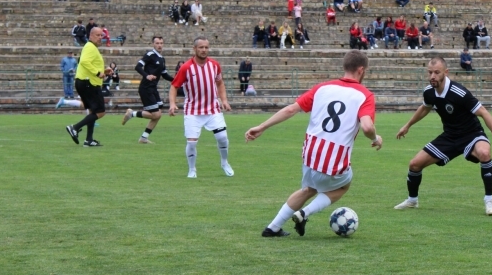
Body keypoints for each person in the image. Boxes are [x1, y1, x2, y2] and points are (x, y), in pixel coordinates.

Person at [247, 50, 381, 237]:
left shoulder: (322, 88)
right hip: (333, 157)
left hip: (310, 152)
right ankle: (304, 213)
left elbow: (291, 109)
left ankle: (272, 228)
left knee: (309, 189)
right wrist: (376, 138)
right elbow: (367, 127)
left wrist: (262, 126)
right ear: (361, 70)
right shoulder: (364, 95)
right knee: (344, 185)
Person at [394, 57, 492, 214]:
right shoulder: (429, 92)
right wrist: (407, 125)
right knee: (414, 164)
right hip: (450, 136)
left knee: (484, 153)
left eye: (436, 72)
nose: (432, 76)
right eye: (429, 73)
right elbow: (425, 108)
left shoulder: (459, 92)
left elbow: (483, 112)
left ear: (445, 73)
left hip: (472, 134)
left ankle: (489, 201)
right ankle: (412, 200)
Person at [168, 36, 234, 178]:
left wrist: (224, 100)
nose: (204, 50)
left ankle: (224, 162)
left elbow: (220, 83)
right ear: (195, 49)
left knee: (223, 137)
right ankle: (192, 169)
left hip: (212, 109)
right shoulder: (186, 67)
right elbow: (174, 86)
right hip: (193, 111)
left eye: (206, 47)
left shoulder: (214, 65)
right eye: (201, 47)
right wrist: (172, 104)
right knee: (191, 143)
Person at [122, 36, 175, 143]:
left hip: (153, 89)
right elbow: (138, 67)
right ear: (153, 44)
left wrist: (178, 80)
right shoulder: (150, 55)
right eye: (157, 43)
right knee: (156, 114)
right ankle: (131, 113)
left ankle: (144, 138)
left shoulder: (161, 59)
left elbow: (165, 75)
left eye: (161, 43)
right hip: (146, 88)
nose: (159, 45)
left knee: (157, 115)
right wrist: (147, 76)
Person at [65, 27, 112, 147]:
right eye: (97, 35)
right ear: (90, 36)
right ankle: (74, 128)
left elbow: (88, 63)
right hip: (88, 83)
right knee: (100, 112)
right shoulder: (90, 47)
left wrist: (103, 71)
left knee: (93, 111)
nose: (100, 38)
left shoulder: (91, 48)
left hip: (85, 82)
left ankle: (89, 140)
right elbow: (85, 62)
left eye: (101, 35)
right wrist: (98, 73)